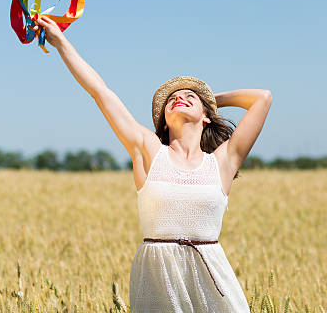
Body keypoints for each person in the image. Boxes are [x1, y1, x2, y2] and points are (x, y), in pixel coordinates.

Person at [30, 16, 273, 312]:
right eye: (173, 98)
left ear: (207, 116)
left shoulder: (222, 161)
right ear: (162, 120)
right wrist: (61, 42)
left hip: (213, 284)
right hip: (157, 281)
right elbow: (101, 92)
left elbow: (262, 99)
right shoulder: (148, 150)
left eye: (188, 97)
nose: (179, 98)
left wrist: (210, 100)